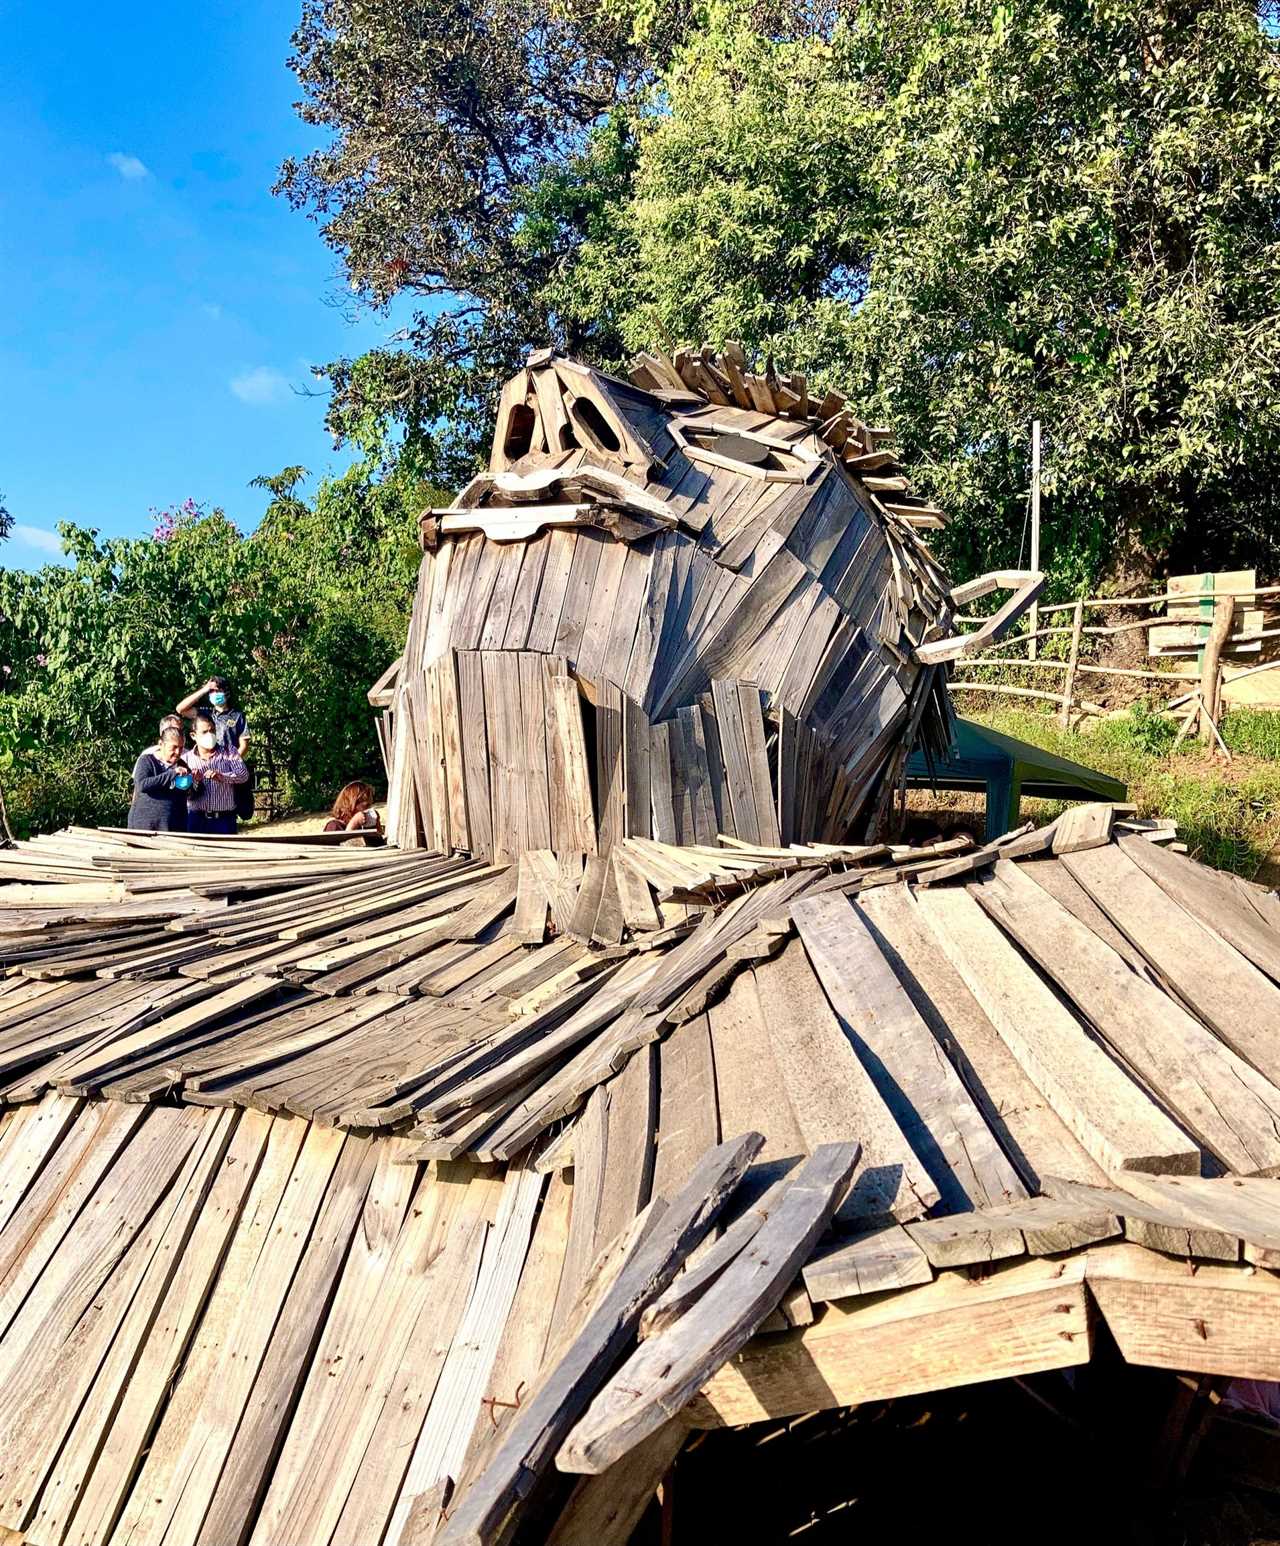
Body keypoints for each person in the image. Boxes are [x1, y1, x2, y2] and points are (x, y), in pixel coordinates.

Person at [182, 710, 249, 835]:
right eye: (204, 732)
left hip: (224, 819)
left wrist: (222, 776)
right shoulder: (186, 759)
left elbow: (243, 774)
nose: (210, 734)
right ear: (193, 735)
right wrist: (192, 780)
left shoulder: (229, 752)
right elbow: (180, 790)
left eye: (212, 730)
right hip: (196, 819)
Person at [127, 726, 191, 831]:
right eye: (174, 747)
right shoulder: (146, 761)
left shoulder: (183, 766)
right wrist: (172, 774)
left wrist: (195, 781)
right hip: (145, 826)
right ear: (161, 744)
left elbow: (191, 794)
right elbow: (142, 785)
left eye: (181, 747)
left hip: (173, 828)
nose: (178, 752)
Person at [176, 675, 249, 756]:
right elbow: (180, 709)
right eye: (212, 691)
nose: (215, 694)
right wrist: (204, 689)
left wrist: (232, 762)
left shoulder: (238, 716)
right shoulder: (205, 713)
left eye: (217, 691)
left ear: (227, 692)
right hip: (206, 761)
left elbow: (244, 746)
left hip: (230, 761)